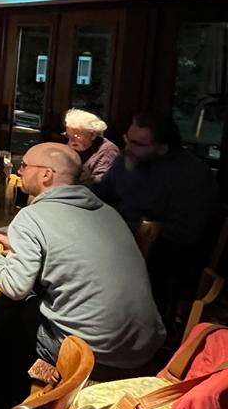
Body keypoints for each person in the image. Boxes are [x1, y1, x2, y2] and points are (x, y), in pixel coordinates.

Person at [0, 142, 166, 370]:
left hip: (94, 357)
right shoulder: (108, 213)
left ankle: (1, 387)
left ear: (46, 175)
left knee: (17, 310)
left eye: (24, 165)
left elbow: (15, 286)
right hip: (144, 348)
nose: (19, 170)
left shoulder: (32, 217)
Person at [95, 113, 221, 322]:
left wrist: (131, 234)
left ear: (162, 147)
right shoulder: (127, 159)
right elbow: (103, 196)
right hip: (118, 239)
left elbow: (185, 233)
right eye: (127, 139)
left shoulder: (193, 174)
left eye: (137, 143)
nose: (128, 147)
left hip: (163, 254)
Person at [63, 108, 120, 185]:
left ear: (92, 135)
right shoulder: (72, 145)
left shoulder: (108, 150)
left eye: (77, 136)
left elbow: (102, 183)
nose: (71, 141)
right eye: (68, 135)